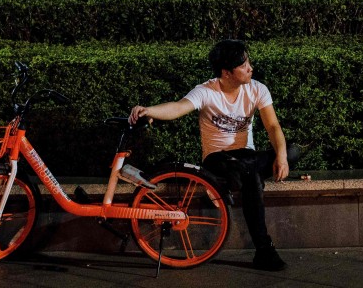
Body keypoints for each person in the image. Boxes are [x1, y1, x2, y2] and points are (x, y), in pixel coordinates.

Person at [128, 39, 299, 271]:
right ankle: (264, 250)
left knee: (291, 152)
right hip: (218, 159)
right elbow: (179, 107)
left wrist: (281, 157)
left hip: (246, 158)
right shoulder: (206, 91)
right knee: (251, 177)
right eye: (244, 65)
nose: (251, 68)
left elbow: (273, 127)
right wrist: (149, 111)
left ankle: (233, 183)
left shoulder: (257, 89)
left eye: (248, 62)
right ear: (226, 73)